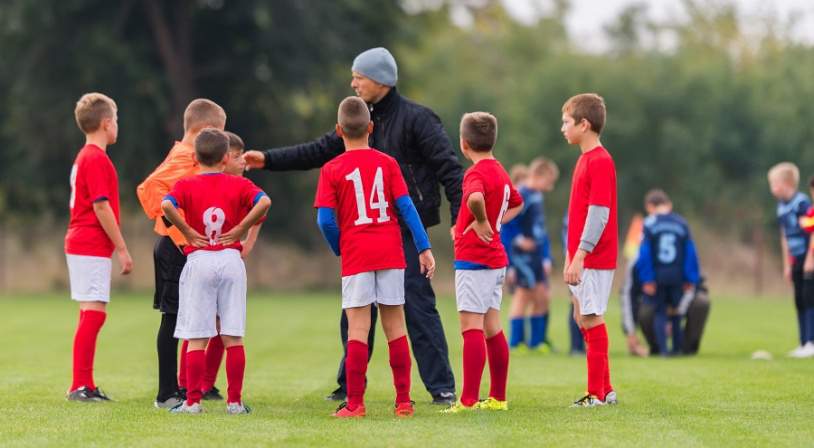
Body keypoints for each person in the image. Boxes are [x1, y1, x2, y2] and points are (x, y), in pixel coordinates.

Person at [244, 47, 462, 404]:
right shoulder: (358, 121)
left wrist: (458, 220)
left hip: (407, 229)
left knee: (418, 306)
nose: (353, 82)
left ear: (379, 80)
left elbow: (450, 171)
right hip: (366, 234)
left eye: (358, 76)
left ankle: (442, 387)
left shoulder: (420, 119)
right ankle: (350, 386)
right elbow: (317, 151)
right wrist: (268, 159)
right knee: (356, 313)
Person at [314, 97, 435, 418]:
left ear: (339, 130)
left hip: (357, 255)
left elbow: (325, 220)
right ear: (371, 127)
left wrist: (340, 246)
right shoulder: (388, 163)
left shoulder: (331, 169)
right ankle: (404, 402)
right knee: (395, 326)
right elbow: (407, 208)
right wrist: (424, 247)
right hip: (391, 252)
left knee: (357, 328)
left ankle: (355, 404)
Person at [161, 128, 271, 414]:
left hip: (200, 259)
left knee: (198, 336)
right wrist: (240, 229)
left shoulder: (186, 185)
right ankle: (234, 403)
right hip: (230, 259)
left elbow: (166, 205)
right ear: (226, 158)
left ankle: (193, 402)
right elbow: (264, 202)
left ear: (196, 158)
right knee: (233, 335)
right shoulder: (238, 184)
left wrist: (185, 229)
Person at [136, 99, 227, 408]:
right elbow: (149, 190)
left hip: (178, 248)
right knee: (172, 318)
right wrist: (180, 231)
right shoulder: (185, 157)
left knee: (182, 318)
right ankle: (166, 393)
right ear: (207, 131)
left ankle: (178, 387)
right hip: (172, 249)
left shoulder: (187, 156)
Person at [443, 112, 523, 413]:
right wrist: (494, 222)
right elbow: (518, 203)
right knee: (492, 326)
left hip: (474, 260)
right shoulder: (500, 171)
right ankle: (498, 398)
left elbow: (475, 198)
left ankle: (467, 400)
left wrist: (481, 220)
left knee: (471, 327)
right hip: (495, 260)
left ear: (464, 144)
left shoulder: (474, 174)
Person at [65, 92, 133, 402]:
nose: (117, 125)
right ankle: (81, 386)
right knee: (95, 313)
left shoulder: (86, 156)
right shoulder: (95, 158)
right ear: (106, 123)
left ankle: (82, 384)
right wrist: (122, 247)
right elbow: (101, 207)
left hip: (83, 241)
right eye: (116, 120)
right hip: (89, 240)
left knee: (89, 312)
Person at [561, 93, 618, 407]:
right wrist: (571, 255)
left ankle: (595, 393)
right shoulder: (584, 159)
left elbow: (600, 213)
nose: (563, 128)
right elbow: (579, 214)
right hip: (582, 257)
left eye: (567, 122)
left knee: (592, 318)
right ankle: (606, 390)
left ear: (585, 124)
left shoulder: (600, 161)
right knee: (582, 317)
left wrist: (582, 254)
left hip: (595, 257)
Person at [637, 189, 700, 356]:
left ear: (650, 206)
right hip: (677, 275)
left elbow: (644, 254)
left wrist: (647, 278)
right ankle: (677, 349)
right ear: (668, 204)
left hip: (658, 275)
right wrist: (690, 277)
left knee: (660, 312)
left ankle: (664, 351)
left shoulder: (649, 224)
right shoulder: (681, 223)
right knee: (677, 311)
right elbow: (690, 252)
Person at [505, 158, 558, 352]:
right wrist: (518, 240)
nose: (550, 187)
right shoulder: (521, 194)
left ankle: (537, 342)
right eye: (549, 181)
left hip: (536, 255)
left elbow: (540, 230)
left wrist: (546, 257)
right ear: (538, 175)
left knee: (542, 296)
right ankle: (516, 343)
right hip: (522, 257)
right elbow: (506, 223)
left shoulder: (537, 196)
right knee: (523, 295)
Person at [768, 162, 814, 358]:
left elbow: (812, 230)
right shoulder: (781, 207)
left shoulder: (802, 203)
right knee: (798, 300)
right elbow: (783, 236)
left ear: (787, 183)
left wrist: (810, 258)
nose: (772, 188)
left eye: (774, 183)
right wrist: (787, 264)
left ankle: (811, 341)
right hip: (795, 259)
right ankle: (803, 342)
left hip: (808, 257)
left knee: (809, 298)